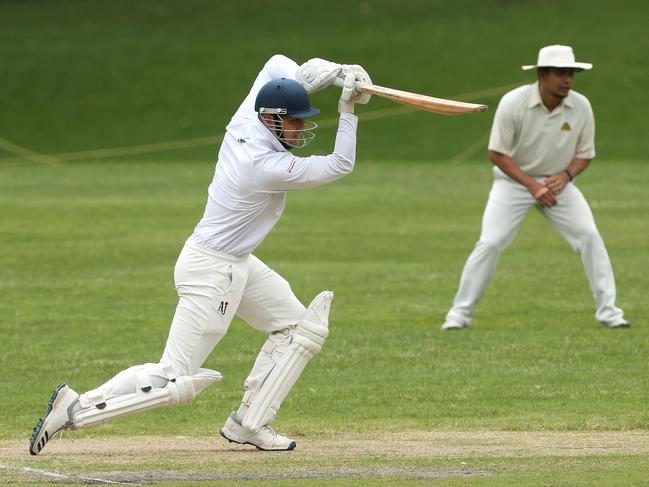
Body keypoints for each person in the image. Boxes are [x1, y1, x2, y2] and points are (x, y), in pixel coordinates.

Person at [29, 54, 372, 454]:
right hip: (213, 270)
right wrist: (346, 108)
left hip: (236, 261)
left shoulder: (248, 116)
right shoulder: (264, 165)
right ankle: (77, 407)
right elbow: (341, 164)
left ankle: (251, 422)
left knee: (299, 328)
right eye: (294, 120)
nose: (300, 127)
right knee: (174, 381)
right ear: (273, 120)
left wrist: (319, 74)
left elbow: (275, 63)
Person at [440, 45, 629, 331]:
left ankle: (610, 313)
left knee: (589, 235)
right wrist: (531, 185)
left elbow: (585, 153)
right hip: (513, 184)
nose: (567, 80)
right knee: (490, 242)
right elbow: (497, 153)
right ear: (542, 74)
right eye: (560, 73)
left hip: (558, 184)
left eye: (571, 73)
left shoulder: (581, 106)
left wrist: (565, 176)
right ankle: (458, 315)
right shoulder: (513, 103)